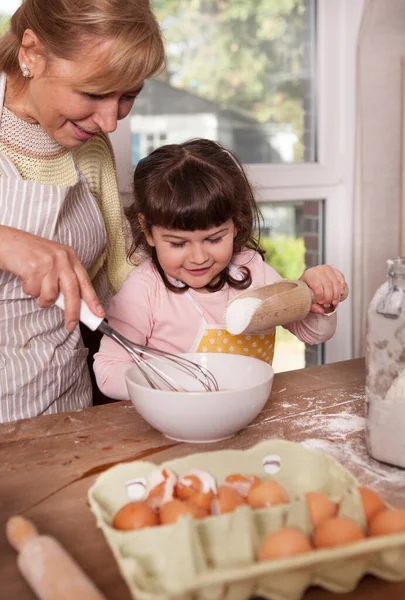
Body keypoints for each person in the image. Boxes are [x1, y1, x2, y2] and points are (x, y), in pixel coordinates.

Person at [0, 0, 165, 422]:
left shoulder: (89, 147)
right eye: (93, 93)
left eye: (128, 95)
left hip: (64, 409)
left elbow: (120, 271)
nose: (110, 121)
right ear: (31, 53)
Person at [94, 139, 346, 400]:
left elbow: (313, 333)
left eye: (214, 239)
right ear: (148, 230)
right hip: (174, 423)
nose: (198, 257)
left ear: (235, 223)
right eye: (178, 243)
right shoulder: (144, 289)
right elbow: (108, 371)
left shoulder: (252, 272)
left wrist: (319, 297)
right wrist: (170, 388)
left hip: (246, 416)